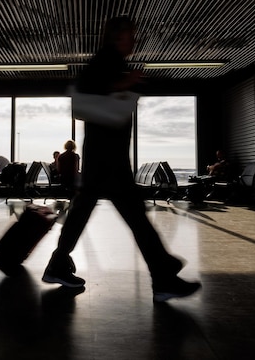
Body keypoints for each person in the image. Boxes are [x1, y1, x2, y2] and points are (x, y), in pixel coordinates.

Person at [42, 16, 201, 303]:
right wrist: (124, 82)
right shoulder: (107, 60)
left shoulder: (109, 61)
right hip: (108, 160)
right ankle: (163, 275)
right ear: (118, 37)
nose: (135, 41)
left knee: (86, 214)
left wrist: (124, 83)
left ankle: (57, 265)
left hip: (103, 159)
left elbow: (93, 95)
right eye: (131, 35)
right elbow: (90, 90)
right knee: (135, 218)